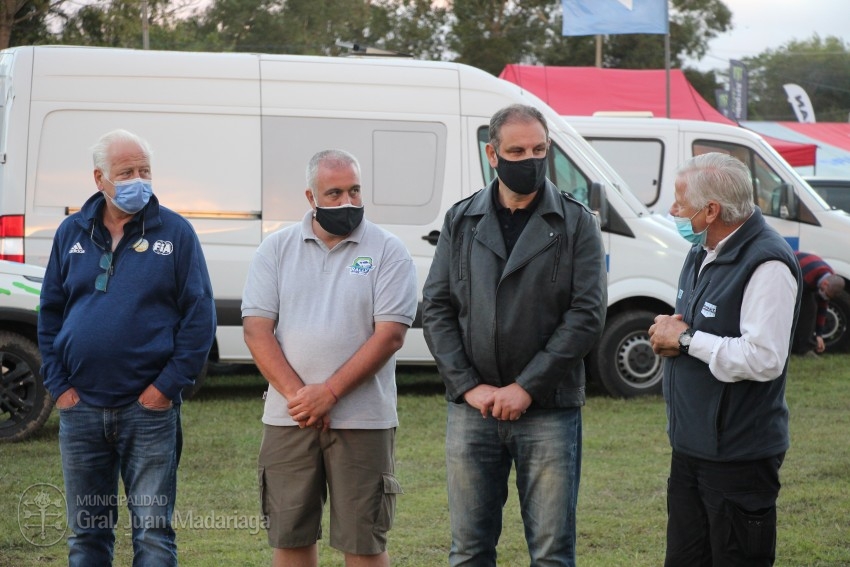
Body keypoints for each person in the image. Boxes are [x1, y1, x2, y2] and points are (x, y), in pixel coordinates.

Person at [421, 104, 607, 567]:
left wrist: (527, 388)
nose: (530, 159)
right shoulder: (461, 221)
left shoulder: (576, 221)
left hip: (549, 410)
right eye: (517, 150)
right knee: (468, 550)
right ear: (492, 154)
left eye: (539, 149)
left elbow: (586, 314)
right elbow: (438, 308)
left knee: (551, 553)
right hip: (473, 412)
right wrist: (468, 387)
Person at [38, 129, 216, 566]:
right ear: (100, 178)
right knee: (87, 535)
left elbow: (199, 317)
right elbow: (50, 313)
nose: (138, 179)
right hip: (81, 410)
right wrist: (60, 387)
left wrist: (165, 389)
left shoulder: (175, 233)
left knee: (153, 534)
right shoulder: (70, 232)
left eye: (144, 170)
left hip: (149, 411)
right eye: (126, 172)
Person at [241, 149, 417, 567]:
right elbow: (256, 330)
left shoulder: (389, 250)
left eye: (354, 191)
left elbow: (390, 335)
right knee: (291, 537)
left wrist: (330, 393)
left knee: (364, 541)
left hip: (363, 420)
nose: (347, 203)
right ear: (310, 196)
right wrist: (301, 397)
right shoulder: (276, 249)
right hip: (290, 419)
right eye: (334, 193)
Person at [648, 152, 802, 567]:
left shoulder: (767, 262)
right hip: (692, 448)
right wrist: (672, 335)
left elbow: (764, 358)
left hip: (739, 455)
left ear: (711, 210)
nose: (673, 210)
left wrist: (686, 340)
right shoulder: (704, 250)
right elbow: (695, 329)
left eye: (680, 202)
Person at [791, 251, 845, 355]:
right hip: (794, 272)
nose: (825, 296)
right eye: (826, 294)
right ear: (825, 283)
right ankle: (798, 347)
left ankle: (802, 348)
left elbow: (822, 307)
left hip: (805, 277)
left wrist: (819, 335)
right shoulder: (807, 276)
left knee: (812, 308)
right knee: (806, 309)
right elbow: (793, 301)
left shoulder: (830, 278)